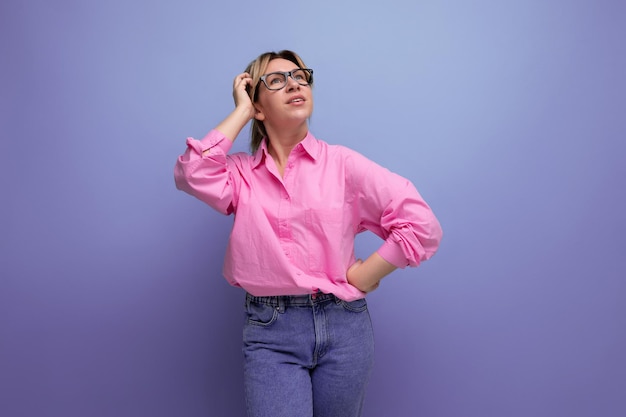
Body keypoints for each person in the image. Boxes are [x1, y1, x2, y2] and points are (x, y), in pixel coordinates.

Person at [174, 50, 442, 417]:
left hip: (344, 326)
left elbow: (421, 224)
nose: (295, 83)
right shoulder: (240, 174)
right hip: (271, 331)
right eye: (277, 80)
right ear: (259, 107)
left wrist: (366, 274)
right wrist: (240, 111)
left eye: (301, 76)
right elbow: (192, 173)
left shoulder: (343, 164)